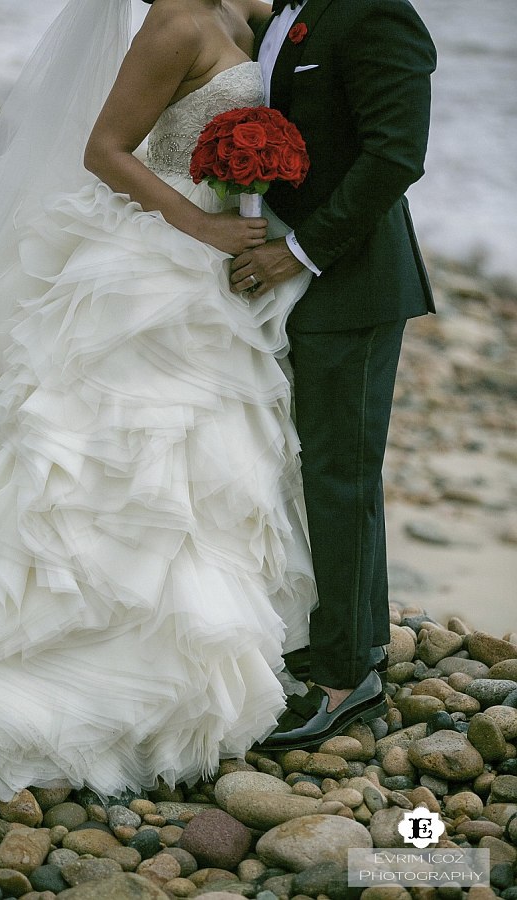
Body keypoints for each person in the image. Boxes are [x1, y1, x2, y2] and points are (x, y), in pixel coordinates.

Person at [0, 0, 317, 817]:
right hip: (161, 249)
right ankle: (74, 663)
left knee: (202, 461)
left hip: (214, 255)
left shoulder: (241, 12)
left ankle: (191, 653)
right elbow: (102, 150)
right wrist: (198, 223)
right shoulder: (172, 21)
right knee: (109, 450)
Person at [229, 0, 437, 748]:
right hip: (300, 279)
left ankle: (347, 680)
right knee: (328, 469)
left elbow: (395, 155)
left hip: (351, 280)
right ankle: (361, 637)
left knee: (339, 475)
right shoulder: (287, 8)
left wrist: (300, 251)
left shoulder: (375, 12)